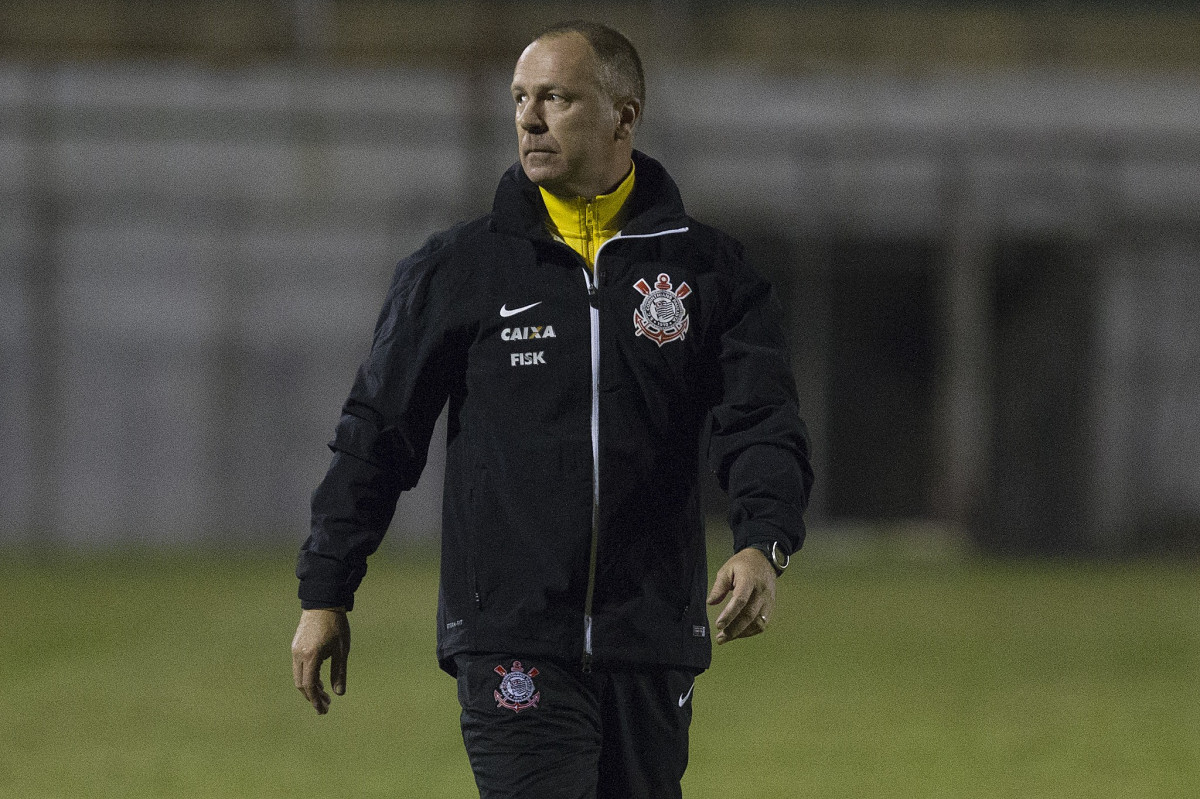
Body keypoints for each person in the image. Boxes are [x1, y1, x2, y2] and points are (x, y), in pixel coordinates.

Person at [291, 20, 813, 799]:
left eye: (556, 99)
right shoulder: (459, 269)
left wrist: (762, 543)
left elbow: (762, 422)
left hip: (652, 636)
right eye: (521, 99)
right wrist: (326, 588)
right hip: (512, 636)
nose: (528, 119)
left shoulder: (708, 273)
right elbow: (376, 433)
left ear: (623, 116)